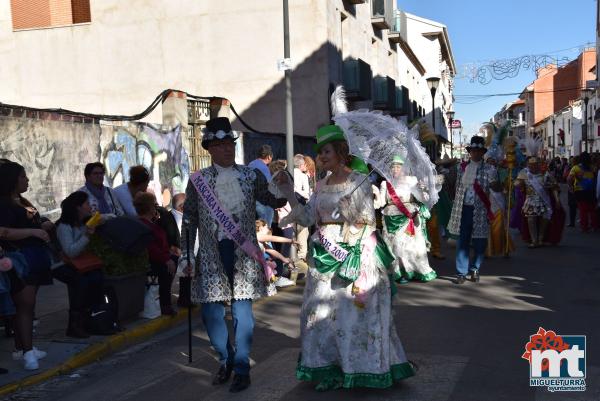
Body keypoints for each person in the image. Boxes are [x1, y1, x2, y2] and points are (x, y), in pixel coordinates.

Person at [276, 124, 415, 391]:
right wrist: (288, 193)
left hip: (353, 255)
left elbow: (366, 223)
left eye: (326, 151)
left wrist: (350, 216)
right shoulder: (320, 185)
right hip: (323, 259)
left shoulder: (357, 183)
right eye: (319, 153)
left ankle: (358, 368)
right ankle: (328, 366)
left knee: (351, 316)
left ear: (340, 151)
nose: (322, 157)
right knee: (319, 313)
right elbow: (307, 218)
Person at [179, 117, 287, 393]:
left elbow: (272, 200)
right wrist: (186, 256)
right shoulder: (199, 180)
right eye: (221, 145)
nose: (227, 149)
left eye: (230, 144)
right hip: (211, 252)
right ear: (209, 149)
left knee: (243, 311)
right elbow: (189, 218)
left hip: (243, 253)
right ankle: (224, 358)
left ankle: (241, 367)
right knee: (211, 313)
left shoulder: (251, 176)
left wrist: (283, 189)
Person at [0, 161, 54, 370]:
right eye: (23, 176)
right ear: (12, 180)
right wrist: (33, 232)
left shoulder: (21, 201)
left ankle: (21, 348)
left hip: (35, 257)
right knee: (25, 306)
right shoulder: (4, 204)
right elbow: (3, 231)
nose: (27, 179)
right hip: (21, 259)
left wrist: (42, 225)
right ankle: (28, 353)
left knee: (28, 307)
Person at [447, 136, 501, 284]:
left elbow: (497, 189)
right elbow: (450, 184)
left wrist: (496, 181)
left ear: (483, 153)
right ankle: (461, 273)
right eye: (473, 151)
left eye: (479, 151)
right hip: (463, 209)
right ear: (470, 152)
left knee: (480, 242)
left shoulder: (490, 169)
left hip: (481, 210)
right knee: (462, 241)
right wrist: (453, 198)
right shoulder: (459, 168)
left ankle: (475, 268)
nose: (476, 153)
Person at [375, 155, 437, 283]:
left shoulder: (412, 181)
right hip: (390, 217)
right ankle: (399, 272)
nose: (395, 169)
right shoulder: (385, 183)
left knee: (410, 247)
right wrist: (375, 193)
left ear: (404, 168)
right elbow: (380, 203)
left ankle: (413, 270)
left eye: (398, 166)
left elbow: (423, 198)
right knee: (395, 247)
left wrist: (423, 189)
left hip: (408, 217)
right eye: (393, 167)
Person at [54, 191, 105, 338]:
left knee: (97, 277)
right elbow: (70, 252)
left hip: (80, 263)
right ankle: (74, 325)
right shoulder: (64, 227)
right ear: (78, 207)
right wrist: (87, 235)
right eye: (87, 204)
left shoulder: (83, 223)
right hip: (61, 265)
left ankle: (93, 319)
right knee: (80, 281)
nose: (90, 206)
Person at [135, 192, 177, 316]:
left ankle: (168, 302)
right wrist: (166, 259)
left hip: (158, 257)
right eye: (154, 205)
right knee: (168, 266)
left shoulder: (151, 223)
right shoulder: (144, 225)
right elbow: (151, 248)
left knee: (176, 259)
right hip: (151, 261)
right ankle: (165, 304)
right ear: (149, 208)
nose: (156, 207)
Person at [515, 156, 560, 248]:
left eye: (535, 164)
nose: (533, 167)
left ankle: (540, 238)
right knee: (531, 219)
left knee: (545, 218)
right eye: (531, 165)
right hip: (530, 199)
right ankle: (534, 240)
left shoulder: (546, 174)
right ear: (528, 165)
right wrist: (515, 182)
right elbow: (517, 184)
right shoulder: (524, 173)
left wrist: (557, 200)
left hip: (544, 200)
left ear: (539, 165)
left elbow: (555, 186)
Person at [567, 152, 598, 232]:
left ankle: (584, 226)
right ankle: (594, 225)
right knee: (592, 209)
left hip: (580, 191)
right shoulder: (593, 167)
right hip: (591, 190)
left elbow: (569, 179)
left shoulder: (576, 168)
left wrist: (571, 187)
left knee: (583, 210)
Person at [248, 145, 275, 227]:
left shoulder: (250, 164)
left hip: (252, 202)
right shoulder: (264, 169)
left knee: (256, 229)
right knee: (265, 229)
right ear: (269, 157)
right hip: (263, 204)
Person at [293, 154, 310, 263]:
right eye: (305, 164)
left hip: (288, 206)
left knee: (293, 230)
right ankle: (302, 255)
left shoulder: (287, 173)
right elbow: (307, 193)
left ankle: (293, 252)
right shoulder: (303, 176)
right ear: (301, 165)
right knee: (303, 231)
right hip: (301, 205)